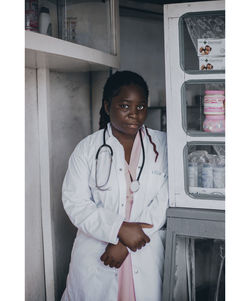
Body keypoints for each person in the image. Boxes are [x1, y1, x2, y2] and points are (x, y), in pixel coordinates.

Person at [61, 70, 169, 301]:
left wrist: (126, 243)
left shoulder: (163, 145)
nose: (134, 115)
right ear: (108, 106)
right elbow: (76, 203)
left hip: (144, 251)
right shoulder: (87, 149)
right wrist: (118, 228)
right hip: (98, 255)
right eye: (124, 106)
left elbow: (165, 199)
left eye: (140, 107)